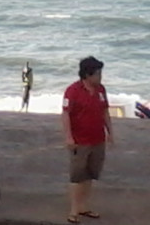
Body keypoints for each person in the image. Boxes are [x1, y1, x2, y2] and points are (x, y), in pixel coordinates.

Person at [62, 56, 113, 224]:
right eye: (98, 74)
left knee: (90, 174)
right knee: (77, 176)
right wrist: (69, 137)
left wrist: (110, 132)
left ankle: (84, 206)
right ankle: (74, 210)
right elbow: (66, 114)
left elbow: (105, 112)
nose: (100, 77)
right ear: (87, 74)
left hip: (98, 139)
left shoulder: (101, 90)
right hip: (80, 140)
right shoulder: (72, 91)